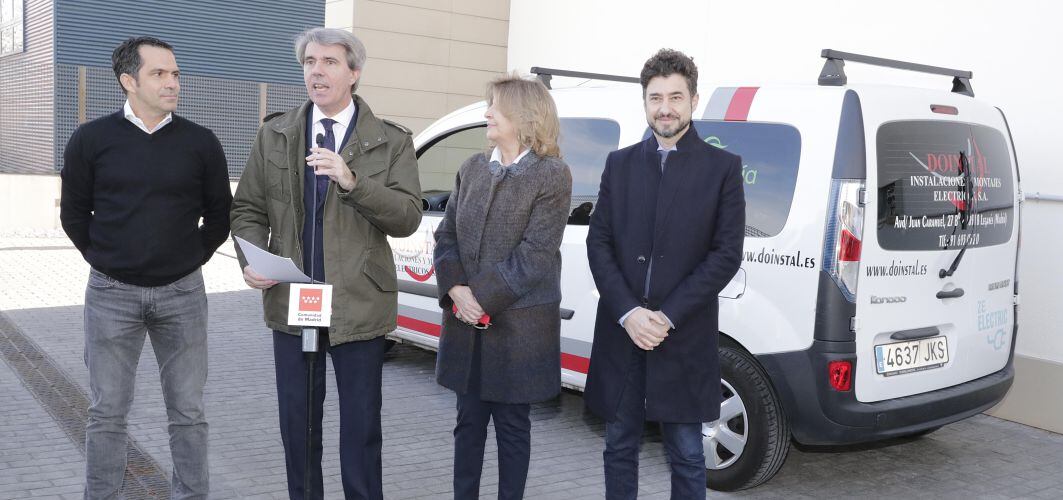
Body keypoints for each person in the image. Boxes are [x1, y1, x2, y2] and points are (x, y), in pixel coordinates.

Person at [229, 28, 422, 499]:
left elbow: (407, 217)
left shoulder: (390, 141)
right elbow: (247, 209)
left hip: (359, 304)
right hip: (293, 301)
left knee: (360, 430)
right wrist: (250, 259)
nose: (316, 71)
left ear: (354, 72)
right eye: (309, 62)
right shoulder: (274, 134)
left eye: (330, 62)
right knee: (298, 427)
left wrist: (354, 181)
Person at [59, 36, 232, 499]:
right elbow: (74, 214)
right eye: (160, 73)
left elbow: (220, 215)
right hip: (111, 296)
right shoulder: (91, 139)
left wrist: (190, 257)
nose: (173, 82)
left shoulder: (201, 142)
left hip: (183, 295)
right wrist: (105, 259)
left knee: (189, 412)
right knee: (107, 411)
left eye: (175, 73)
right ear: (128, 81)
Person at [584, 49, 746, 499]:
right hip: (622, 334)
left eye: (676, 96)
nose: (665, 108)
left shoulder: (722, 170)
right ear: (645, 102)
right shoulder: (620, 164)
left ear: (694, 100)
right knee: (618, 446)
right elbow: (599, 244)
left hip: (682, 336)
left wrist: (665, 316)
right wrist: (629, 313)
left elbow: (725, 255)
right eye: (655, 97)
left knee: (687, 455)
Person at [433, 74, 572, 500]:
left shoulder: (552, 175)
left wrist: (478, 298)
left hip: (519, 331)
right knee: (467, 424)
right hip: (465, 322)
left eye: (496, 106)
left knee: (513, 429)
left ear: (525, 116)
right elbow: (446, 235)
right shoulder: (472, 168)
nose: (487, 113)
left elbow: (535, 254)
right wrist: (456, 288)